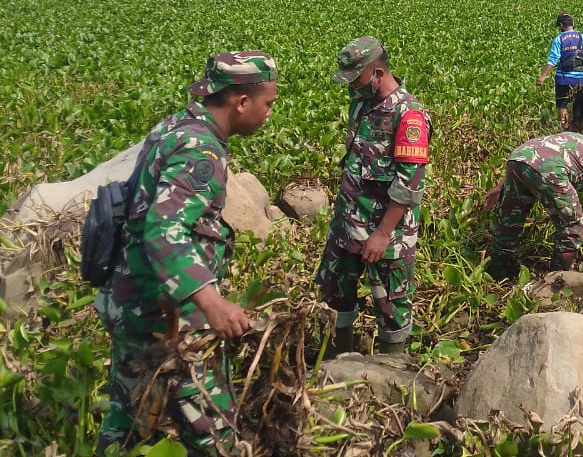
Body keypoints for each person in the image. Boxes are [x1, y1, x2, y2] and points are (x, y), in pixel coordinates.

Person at [97, 51, 279, 456]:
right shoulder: (199, 150)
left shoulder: (176, 126)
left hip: (130, 301)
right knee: (215, 430)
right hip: (169, 318)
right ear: (241, 101)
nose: (270, 113)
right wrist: (211, 302)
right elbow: (164, 229)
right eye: (268, 103)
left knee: (128, 421)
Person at [318, 36, 431, 358]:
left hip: (386, 234)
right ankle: (337, 360)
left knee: (391, 306)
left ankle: (389, 372)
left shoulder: (408, 115)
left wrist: (381, 235)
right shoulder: (360, 104)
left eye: (356, 79)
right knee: (336, 295)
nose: (351, 87)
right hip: (347, 225)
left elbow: (409, 184)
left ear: (378, 73)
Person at [481, 132, 583, 278]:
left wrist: (501, 186)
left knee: (510, 218)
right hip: (549, 169)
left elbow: (535, 156)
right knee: (572, 224)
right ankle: (556, 278)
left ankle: (497, 270)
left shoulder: (581, 141)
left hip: (518, 157)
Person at [536, 12, 583, 128]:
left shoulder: (559, 39)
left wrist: (543, 76)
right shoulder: (582, 37)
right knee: (579, 105)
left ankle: (565, 130)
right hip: (580, 79)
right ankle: (578, 131)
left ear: (561, 25)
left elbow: (553, 60)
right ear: (572, 23)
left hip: (563, 79)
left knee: (562, 106)